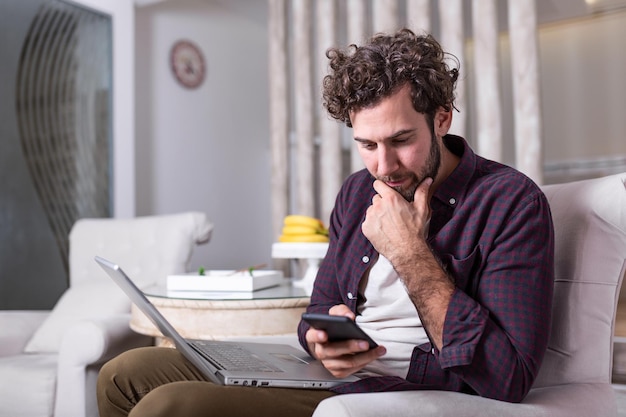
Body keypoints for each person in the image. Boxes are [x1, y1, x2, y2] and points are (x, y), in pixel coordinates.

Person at [97, 28, 554, 417]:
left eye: (400, 140)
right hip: (324, 372)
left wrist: (410, 253)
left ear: (441, 119)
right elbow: (320, 307)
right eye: (367, 144)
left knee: (169, 406)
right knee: (122, 374)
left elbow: (507, 376)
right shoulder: (358, 192)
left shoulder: (510, 202)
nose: (384, 165)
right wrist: (320, 338)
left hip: (393, 387)